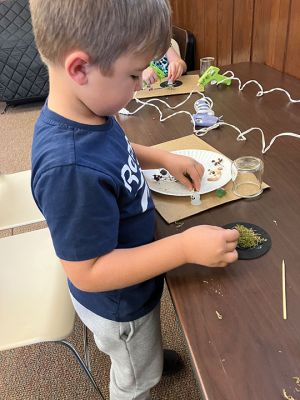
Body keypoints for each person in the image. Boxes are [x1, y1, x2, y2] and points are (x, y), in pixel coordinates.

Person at [29, 1, 239, 399]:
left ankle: (150, 356)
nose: (142, 84)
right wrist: (182, 246)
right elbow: (87, 271)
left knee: (145, 352)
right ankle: (143, 369)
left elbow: (114, 146)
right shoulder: (69, 169)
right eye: (132, 74)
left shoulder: (86, 108)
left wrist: (161, 156)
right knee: (135, 377)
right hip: (119, 306)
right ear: (80, 68)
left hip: (134, 281)